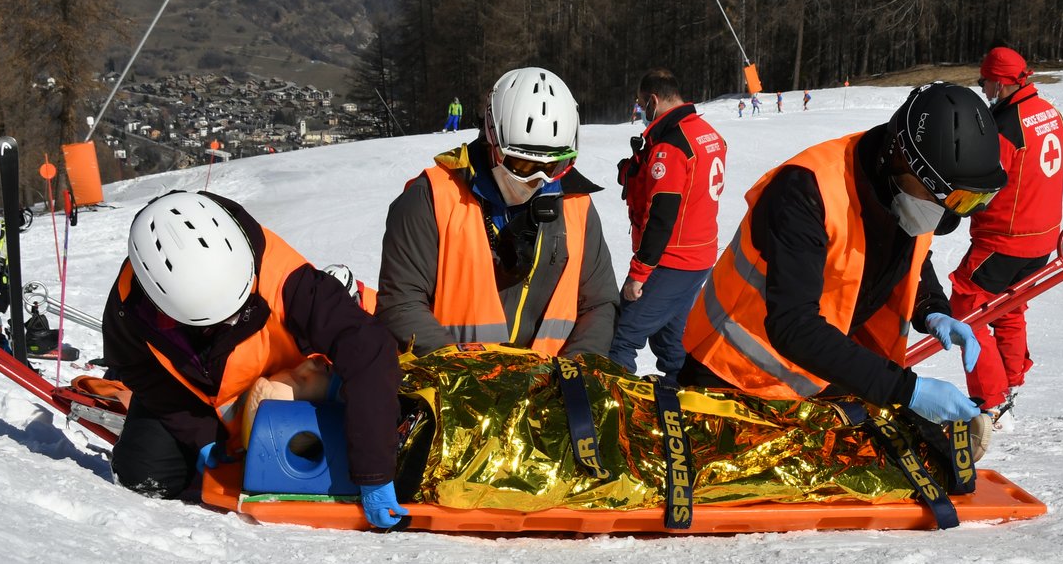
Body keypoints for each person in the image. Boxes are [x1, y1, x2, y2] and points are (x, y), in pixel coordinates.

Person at [681, 82, 1008, 456]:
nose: (952, 213)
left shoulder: (902, 194)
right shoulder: (805, 191)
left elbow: (911, 255)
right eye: (954, 198)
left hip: (814, 376)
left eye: (971, 200)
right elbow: (793, 326)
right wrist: (907, 391)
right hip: (731, 378)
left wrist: (932, 308)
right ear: (904, 160)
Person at [104, 191, 409, 529]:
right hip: (202, 405)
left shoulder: (288, 279)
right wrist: (202, 436)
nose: (233, 324)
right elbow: (142, 372)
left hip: (292, 387)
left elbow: (368, 349)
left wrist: (375, 472)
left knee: (362, 429)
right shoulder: (130, 308)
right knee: (145, 471)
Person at [378, 66, 619, 359]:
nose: (539, 180)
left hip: (546, 392)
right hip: (456, 387)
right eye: (523, 166)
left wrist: (572, 377)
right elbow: (401, 303)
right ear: (492, 142)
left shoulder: (575, 204)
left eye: (556, 166)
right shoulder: (430, 197)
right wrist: (471, 376)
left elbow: (599, 303)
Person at [950, 46, 1063, 420]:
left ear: (999, 82)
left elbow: (984, 182)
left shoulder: (1004, 126)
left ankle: (990, 400)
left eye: (985, 82)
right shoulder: (1051, 113)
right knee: (1008, 308)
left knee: (968, 309)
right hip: (1043, 239)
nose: (983, 89)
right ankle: (1011, 384)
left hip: (1005, 240)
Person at [609, 69, 727, 383]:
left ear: (653, 100)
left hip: (673, 259)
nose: (640, 111)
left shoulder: (671, 147)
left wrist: (639, 274)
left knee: (621, 335)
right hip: (699, 256)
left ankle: (611, 407)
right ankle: (686, 393)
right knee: (669, 338)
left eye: (640, 104)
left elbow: (662, 216)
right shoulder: (706, 133)